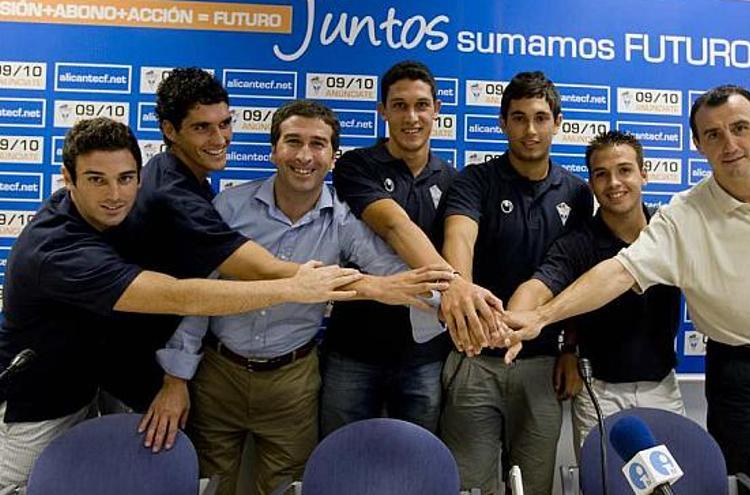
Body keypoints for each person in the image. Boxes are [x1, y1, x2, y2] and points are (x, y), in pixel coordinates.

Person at [503, 85, 750, 478]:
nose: (730, 144)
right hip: (740, 374)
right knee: (739, 482)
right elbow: (618, 271)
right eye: (713, 135)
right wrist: (542, 316)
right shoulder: (683, 216)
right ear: (697, 144)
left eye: (740, 128)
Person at [0, 118, 360, 491]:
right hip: (36, 403)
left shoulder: (112, 213)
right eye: (96, 179)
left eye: (125, 178)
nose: (114, 194)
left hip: (90, 387)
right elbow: (179, 295)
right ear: (67, 178)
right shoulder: (57, 250)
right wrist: (291, 288)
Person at [142, 100, 452, 495]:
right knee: (209, 484)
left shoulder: (343, 221)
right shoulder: (228, 207)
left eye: (318, 144)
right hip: (218, 376)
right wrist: (175, 378)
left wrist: (458, 301)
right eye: (293, 142)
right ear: (273, 150)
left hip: (293, 384)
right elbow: (197, 299)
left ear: (333, 156)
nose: (305, 156)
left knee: (287, 488)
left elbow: (395, 274)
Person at [105, 67, 316, 413]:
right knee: (138, 464)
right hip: (133, 366)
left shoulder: (176, 173)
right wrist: (340, 283)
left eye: (225, 123)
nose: (219, 138)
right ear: (169, 130)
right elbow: (262, 270)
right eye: (202, 127)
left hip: (146, 357)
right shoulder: (174, 193)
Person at [321, 60, 498, 437]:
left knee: (417, 460)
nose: (411, 116)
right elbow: (393, 225)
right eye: (399, 105)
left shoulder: (456, 179)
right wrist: (457, 286)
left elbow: (459, 241)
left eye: (421, 105)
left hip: (424, 357)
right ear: (382, 111)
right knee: (341, 459)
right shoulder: (356, 165)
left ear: (437, 109)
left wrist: (460, 285)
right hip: (353, 349)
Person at [439, 71, 593, 495]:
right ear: (503, 122)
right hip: (475, 359)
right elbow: (459, 238)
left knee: (534, 486)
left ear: (557, 122)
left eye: (541, 118)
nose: (530, 130)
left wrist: (571, 349)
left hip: (543, 366)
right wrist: (461, 292)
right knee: (471, 486)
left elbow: (580, 281)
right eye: (519, 118)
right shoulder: (475, 181)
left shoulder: (578, 194)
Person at [506, 130, 684, 462]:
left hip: (663, 386)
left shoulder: (671, 229)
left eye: (624, 170)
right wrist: (514, 320)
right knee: (602, 485)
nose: (614, 182)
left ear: (644, 174)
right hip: (597, 391)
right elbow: (540, 286)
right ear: (591, 183)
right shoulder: (579, 242)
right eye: (601, 174)